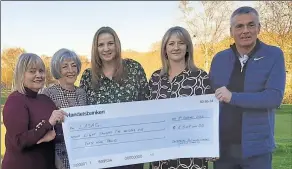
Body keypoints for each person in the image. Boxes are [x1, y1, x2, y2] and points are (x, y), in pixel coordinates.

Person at [209, 6, 286, 169]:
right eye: (239, 26)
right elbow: (208, 97)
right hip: (223, 150)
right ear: (231, 31)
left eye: (251, 25)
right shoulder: (219, 59)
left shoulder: (274, 55)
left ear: (259, 28)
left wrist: (233, 97)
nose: (245, 31)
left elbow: (273, 97)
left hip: (257, 151)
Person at [79, 26, 149, 169]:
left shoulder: (134, 69)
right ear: (95, 48)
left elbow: (146, 104)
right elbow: (82, 113)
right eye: (101, 45)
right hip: (101, 154)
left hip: (132, 151)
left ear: (117, 45)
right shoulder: (87, 76)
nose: (106, 48)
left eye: (110, 43)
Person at [148, 26, 213, 169]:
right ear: (165, 49)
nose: (176, 47)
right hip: (161, 156)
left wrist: (211, 148)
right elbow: (148, 116)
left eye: (181, 43)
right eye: (171, 44)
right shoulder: (155, 78)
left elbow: (209, 117)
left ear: (188, 47)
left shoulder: (200, 77)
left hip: (190, 156)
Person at [2, 53, 67, 169]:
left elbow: (55, 131)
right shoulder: (15, 100)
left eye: (41, 71)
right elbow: (18, 141)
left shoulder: (45, 100)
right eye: (32, 71)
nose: (38, 75)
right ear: (21, 74)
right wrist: (47, 125)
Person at [42, 48, 87, 169]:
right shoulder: (48, 93)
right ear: (57, 69)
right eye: (65, 66)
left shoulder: (82, 93)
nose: (71, 70)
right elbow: (43, 125)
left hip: (83, 154)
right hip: (58, 156)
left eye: (74, 66)